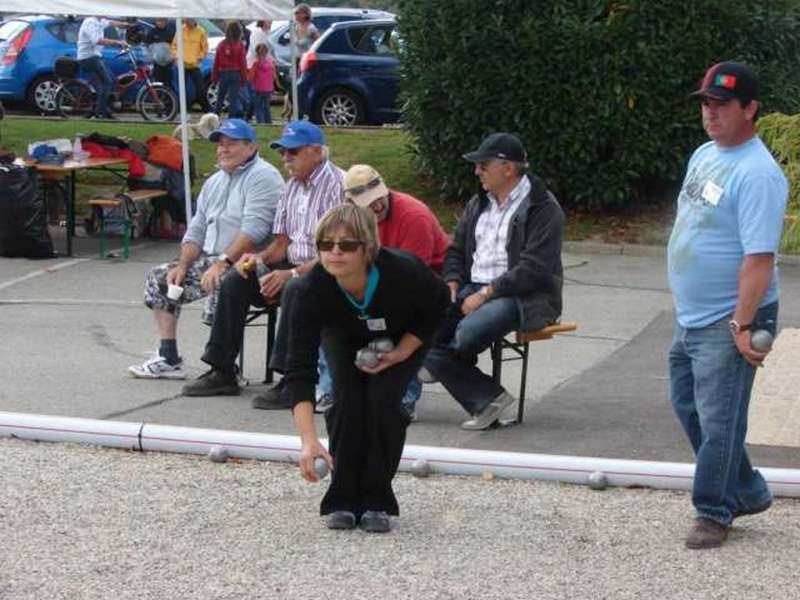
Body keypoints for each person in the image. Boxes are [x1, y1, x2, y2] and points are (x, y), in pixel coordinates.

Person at [667, 62, 787, 550]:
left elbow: (758, 260)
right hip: (694, 314)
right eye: (706, 103)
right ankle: (747, 489)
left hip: (730, 315)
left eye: (722, 104)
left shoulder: (759, 175)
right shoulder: (704, 154)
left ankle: (714, 511)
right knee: (689, 406)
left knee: (720, 421)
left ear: (750, 108)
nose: (710, 113)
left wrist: (742, 323)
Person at [288, 204, 449, 532]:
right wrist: (308, 441)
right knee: (346, 401)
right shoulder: (309, 289)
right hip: (344, 338)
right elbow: (299, 369)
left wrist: (404, 351)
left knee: (383, 402)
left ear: (368, 248)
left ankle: (378, 500)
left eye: (347, 245)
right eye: (325, 244)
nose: (335, 252)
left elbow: (439, 304)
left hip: (402, 336)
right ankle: (342, 498)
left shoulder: (403, 271)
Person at [181, 120, 343, 396]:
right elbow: (281, 243)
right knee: (236, 278)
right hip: (293, 264)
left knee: (294, 287)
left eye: (293, 152)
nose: (286, 158)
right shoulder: (292, 186)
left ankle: (292, 379)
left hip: (330, 269)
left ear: (316, 152)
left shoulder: (338, 184)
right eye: (282, 152)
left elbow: (338, 252)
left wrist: (290, 274)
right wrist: (258, 260)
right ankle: (222, 370)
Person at [423, 132, 564, 430]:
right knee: (421, 332)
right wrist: (451, 282)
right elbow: (456, 251)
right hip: (472, 288)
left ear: (508, 168)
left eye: (483, 166)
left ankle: (449, 369)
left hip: (524, 297)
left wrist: (486, 294)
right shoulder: (479, 204)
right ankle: (488, 400)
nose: (477, 171)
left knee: (465, 333)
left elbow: (534, 270)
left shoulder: (543, 208)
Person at [128, 119, 284, 380]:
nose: (223, 150)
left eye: (231, 144)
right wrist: (183, 264)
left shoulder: (264, 176)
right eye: (220, 145)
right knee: (160, 277)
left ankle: (223, 366)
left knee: (223, 280)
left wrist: (222, 262)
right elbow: (196, 230)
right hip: (212, 258)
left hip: (252, 262)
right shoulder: (214, 181)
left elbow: (254, 230)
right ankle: (169, 357)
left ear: (251, 147)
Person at [315, 164, 450, 419]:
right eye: (369, 202)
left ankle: (404, 397)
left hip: (428, 280)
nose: (377, 206)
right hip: (376, 276)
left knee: (394, 317)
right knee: (330, 311)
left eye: (380, 198)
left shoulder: (414, 215)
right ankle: (333, 389)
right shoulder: (353, 221)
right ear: (351, 203)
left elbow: (412, 276)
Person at [76, 16, 131, 119]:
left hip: (95, 56)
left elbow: (111, 22)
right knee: (107, 82)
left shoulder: (100, 20)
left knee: (112, 80)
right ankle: (101, 112)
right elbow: (98, 40)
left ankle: (103, 108)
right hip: (88, 57)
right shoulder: (90, 22)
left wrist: (126, 25)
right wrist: (118, 42)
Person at [172, 18, 209, 112]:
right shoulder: (180, 30)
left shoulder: (201, 31)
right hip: (182, 65)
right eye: (186, 21)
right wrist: (176, 57)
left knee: (200, 89)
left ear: (194, 20)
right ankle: (184, 108)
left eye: (188, 20)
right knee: (182, 89)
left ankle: (206, 108)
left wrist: (199, 57)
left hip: (194, 65)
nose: (187, 23)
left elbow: (204, 48)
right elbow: (174, 46)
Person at [212, 22, 248, 118]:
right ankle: (231, 119)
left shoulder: (221, 44)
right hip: (236, 73)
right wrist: (244, 78)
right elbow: (243, 63)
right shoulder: (240, 46)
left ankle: (215, 117)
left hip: (223, 73)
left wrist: (214, 78)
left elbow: (216, 62)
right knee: (233, 99)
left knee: (220, 98)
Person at [145, 18, 175, 90]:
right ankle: (159, 98)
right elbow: (147, 46)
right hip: (157, 64)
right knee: (158, 83)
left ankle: (169, 99)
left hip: (169, 63)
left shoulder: (171, 32)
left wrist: (174, 58)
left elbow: (175, 46)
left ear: (166, 21)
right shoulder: (152, 32)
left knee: (168, 83)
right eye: (158, 21)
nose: (159, 23)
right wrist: (151, 58)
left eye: (162, 21)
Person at [249, 43, 275, 125]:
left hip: (258, 88)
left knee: (258, 106)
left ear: (257, 52)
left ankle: (260, 121)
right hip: (268, 88)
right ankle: (268, 121)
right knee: (266, 106)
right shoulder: (270, 63)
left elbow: (251, 76)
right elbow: (273, 76)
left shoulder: (256, 64)